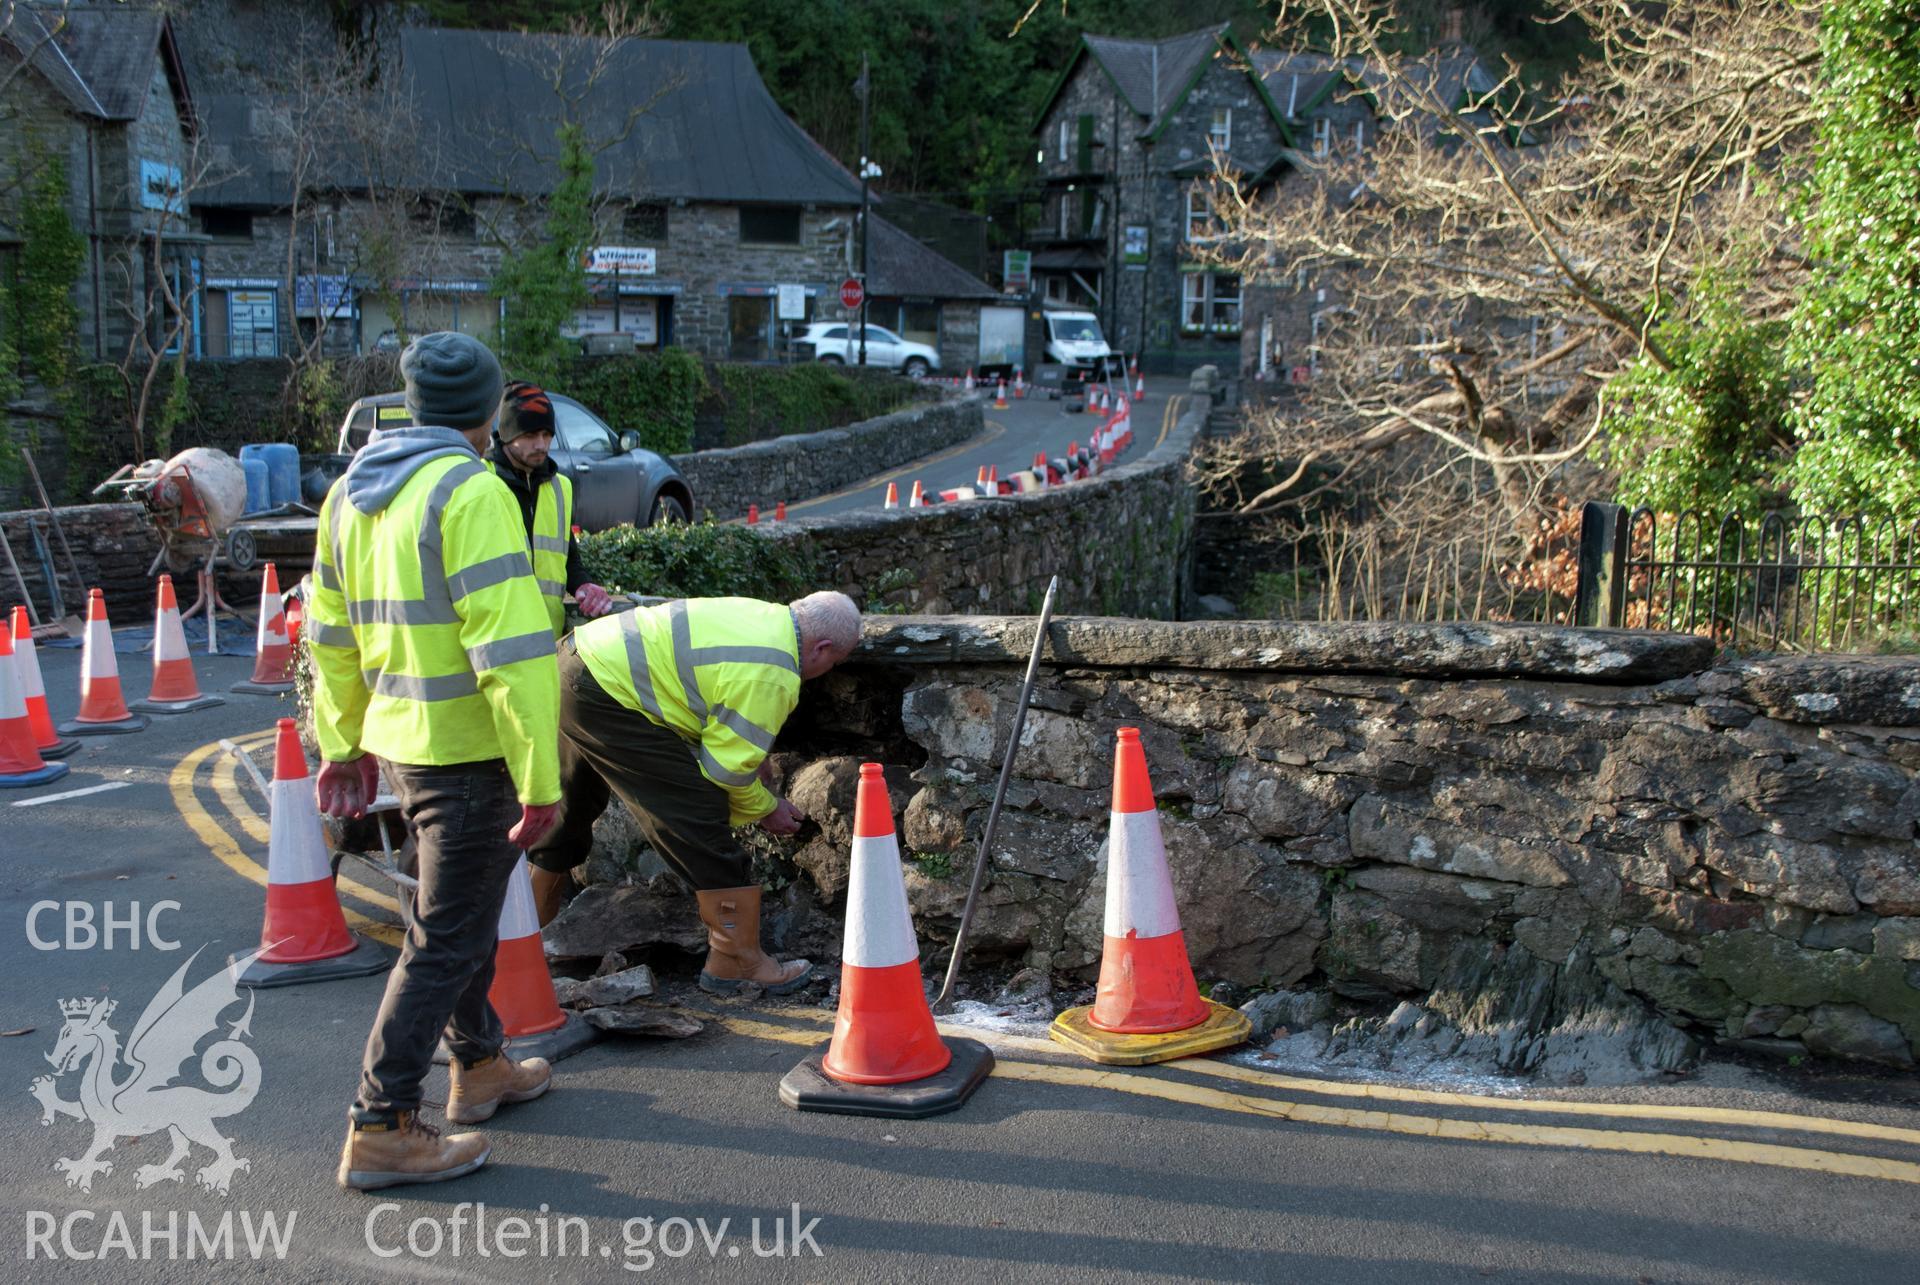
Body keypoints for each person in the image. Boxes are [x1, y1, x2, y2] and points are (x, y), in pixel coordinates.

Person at [309, 331, 563, 1192]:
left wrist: (341, 742)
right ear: (489, 412)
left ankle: (482, 1063)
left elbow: (329, 637)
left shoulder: (349, 495)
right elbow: (515, 654)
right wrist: (540, 777)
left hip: (403, 745)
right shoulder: (471, 491)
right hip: (471, 753)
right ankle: (382, 1122)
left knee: (453, 918)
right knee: (447, 936)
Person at [528, 591, 862, 991]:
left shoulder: (764, 616)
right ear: (822, 648)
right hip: (606, 690)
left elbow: (712, 696)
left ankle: (523, 938)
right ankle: (736, 961)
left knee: (573, 806)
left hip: (572, 660)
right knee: (697, 813)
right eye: (835, 662)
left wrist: (751, 753)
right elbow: (723, 774)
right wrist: (766, 806)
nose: (829, 669)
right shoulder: (774, 671)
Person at [484, 381, 616, 636]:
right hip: (497, 638)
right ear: (508, 434)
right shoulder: (482, 481)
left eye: (547, 435)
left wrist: (585, 585)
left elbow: (567, 558)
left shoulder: (560, 487)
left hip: (547, 638)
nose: (541, 444)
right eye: (531, 435)